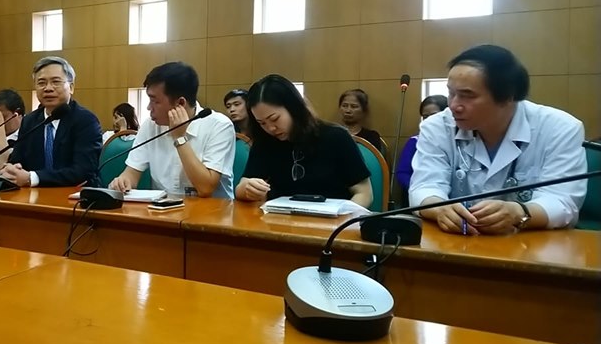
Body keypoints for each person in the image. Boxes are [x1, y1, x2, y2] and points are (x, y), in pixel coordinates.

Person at [410, 45, 587, 235]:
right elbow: (424, 186)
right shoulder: (437, 126)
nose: (453, 105)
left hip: (531, 242)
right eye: (451, 93)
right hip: (459, 240)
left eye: (467, 96)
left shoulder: (559, 128)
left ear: (507, 96)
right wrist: (439, 209)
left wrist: (521, 212)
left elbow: (562, 201)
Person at [236, 75, 373, 207]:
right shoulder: (266, 141)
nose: (270, 128)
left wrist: (344, 217)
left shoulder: (336, 137)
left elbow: (364, 193)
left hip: (332, 219)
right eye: (262, 123)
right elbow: (242, 187)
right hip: (280, 219)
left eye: (274, 119)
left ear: (293, 108)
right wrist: (246, 188)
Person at [109, 62, 236, 198]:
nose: (148, 108)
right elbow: (131, 174)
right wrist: (123, 182)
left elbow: (205, 188)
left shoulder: (220, 126)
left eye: (155, 101)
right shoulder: (150, 126)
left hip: (212, 210)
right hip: (162, 209)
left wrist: (179, 138)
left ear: (180, 103)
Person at [0, 56, 102, 187]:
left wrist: (33, 178)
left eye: (56, 82)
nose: (48, 88)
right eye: (41, 83)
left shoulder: (86, 120)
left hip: (77, 194)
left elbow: (83, 171)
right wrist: (12, 170)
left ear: (71, 87)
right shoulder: (29, 121)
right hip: (34, 194)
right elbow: (17, 161)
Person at [394, 95, 448, 192]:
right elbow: (402, 173)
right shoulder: (414, 142)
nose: (429, 120)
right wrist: (420, 190)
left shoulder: (457, 142)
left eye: (434, 115)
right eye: (425, 117)